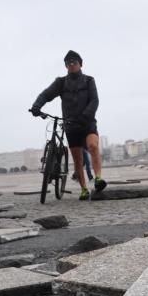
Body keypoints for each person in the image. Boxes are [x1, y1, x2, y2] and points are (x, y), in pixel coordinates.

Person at [30, 50, 107, 200]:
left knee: (93, 146)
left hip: (87, 123)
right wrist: (36, 107)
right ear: (66, 66)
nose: (71, 65)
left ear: (80, 64)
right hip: (71, 125)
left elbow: (94, 101)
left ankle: (98, 178)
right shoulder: (61, 82)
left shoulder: (89, 81)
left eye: (74, 62)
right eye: (68, 63)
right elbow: (46, 94)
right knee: (78, 160)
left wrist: (85, 116)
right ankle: (84, 189)